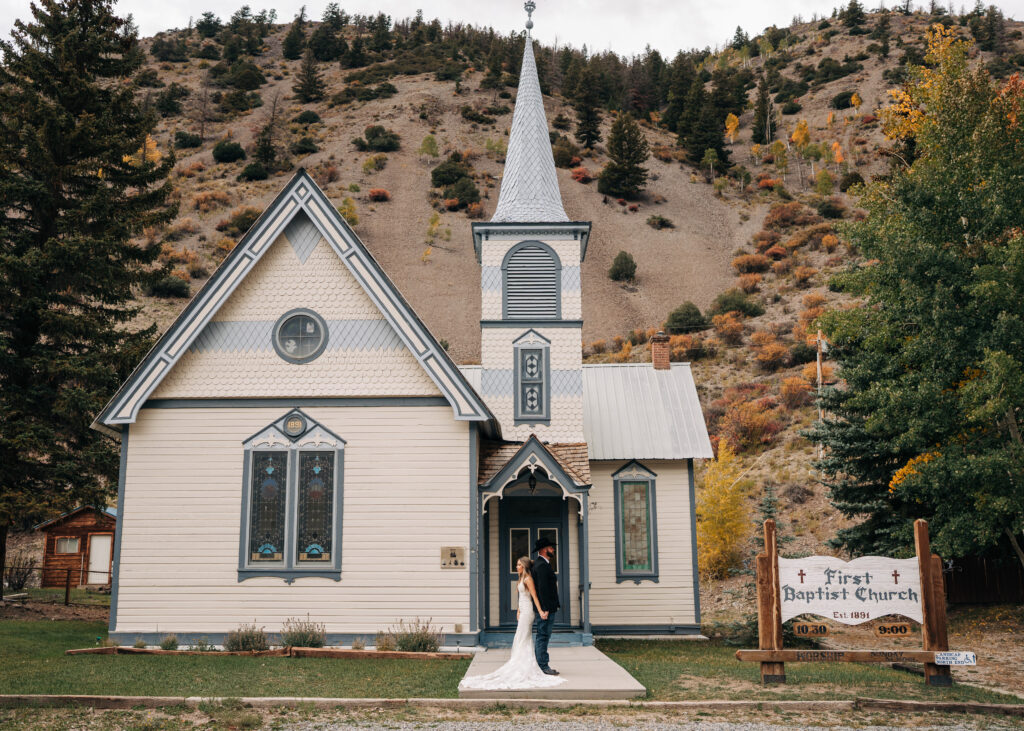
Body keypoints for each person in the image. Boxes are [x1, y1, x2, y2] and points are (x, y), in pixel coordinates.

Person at [458, 556, 565, 691]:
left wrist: (541, 611)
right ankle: (520, 662)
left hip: (529, 613)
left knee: (523, 637)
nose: (516, 567)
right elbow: (521, 596)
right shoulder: (521, 578)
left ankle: (526, 664)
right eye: (516, 564)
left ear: (525, 566)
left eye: (519, 565)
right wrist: (518, 610)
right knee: (520, 637)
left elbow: (534, 597)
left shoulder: (528, 579)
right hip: (523, 611)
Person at [531, 535, 560, 675]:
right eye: (550, 548)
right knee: (543, 635)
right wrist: (545, 608)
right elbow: (542, 589)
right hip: (545, 608)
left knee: (544, 635)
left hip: (548, 607)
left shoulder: (543, 563)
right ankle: (543, 666)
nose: (553, 549)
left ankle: (541, 664)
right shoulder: (541, 565)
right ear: (543, 550)